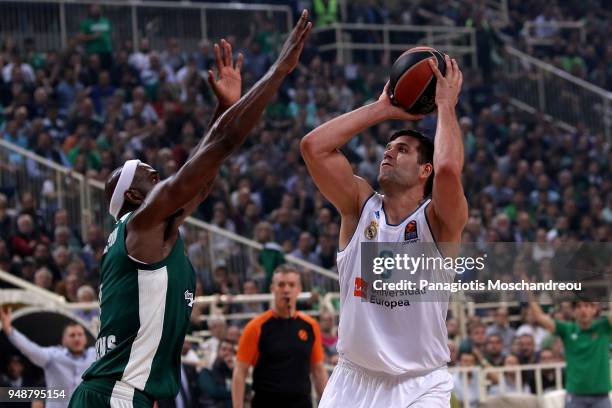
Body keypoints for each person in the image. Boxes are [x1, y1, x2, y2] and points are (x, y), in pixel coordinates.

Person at [68, 12, 312, 408]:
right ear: (133, 196)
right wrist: (279, 71)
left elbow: (204, 175)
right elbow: (221, 146)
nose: (161, 175)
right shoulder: (143, 223)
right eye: (151, 175)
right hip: (116, 395)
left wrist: (224, 109)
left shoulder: (150, 233)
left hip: (124, 394)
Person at [301, 55, 466, 406]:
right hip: (351, 380)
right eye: (388, 149)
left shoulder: (437, 221)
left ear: (425, 171)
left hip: (418, 385)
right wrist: (381, 109)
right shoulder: (359, 206)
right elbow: (313, 147)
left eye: (402, 150)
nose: (388, 154)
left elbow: (449, 169)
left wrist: (445, 105)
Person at [232, 265, 328, 408]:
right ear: (272, 288)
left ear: (299, 289)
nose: (286, 290)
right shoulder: (256, 327)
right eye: (281, 285)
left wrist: (328, 403)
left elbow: (318, 370)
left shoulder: (310, 326)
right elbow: (240, 373)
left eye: (291, 285)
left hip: (301, 403)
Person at [0, 307, 96, 408]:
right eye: (72, 335)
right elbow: (30, 349)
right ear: (63, 340)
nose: (77, 338)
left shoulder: (95, 356)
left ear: (85, 339)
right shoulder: (53, 356)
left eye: (80, 335)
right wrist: (9, 330)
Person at [530, 299, 611, 408]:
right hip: (575, 396)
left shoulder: (603, 327)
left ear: (594, 309)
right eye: (579, 306)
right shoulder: (567, 329)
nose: (583, 310)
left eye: (587, 306)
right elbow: (540, 317)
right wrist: (527, 288)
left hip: (601, 396)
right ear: (574, 311)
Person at [198, 338, 236, 408]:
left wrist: (234, 371)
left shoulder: (233, 372)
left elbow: (246, 389)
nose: (227, 353)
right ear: (217, 351)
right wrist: (236, 393)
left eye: (230, 351)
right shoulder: (207, 371)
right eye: (224, 349)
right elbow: (214, 392)